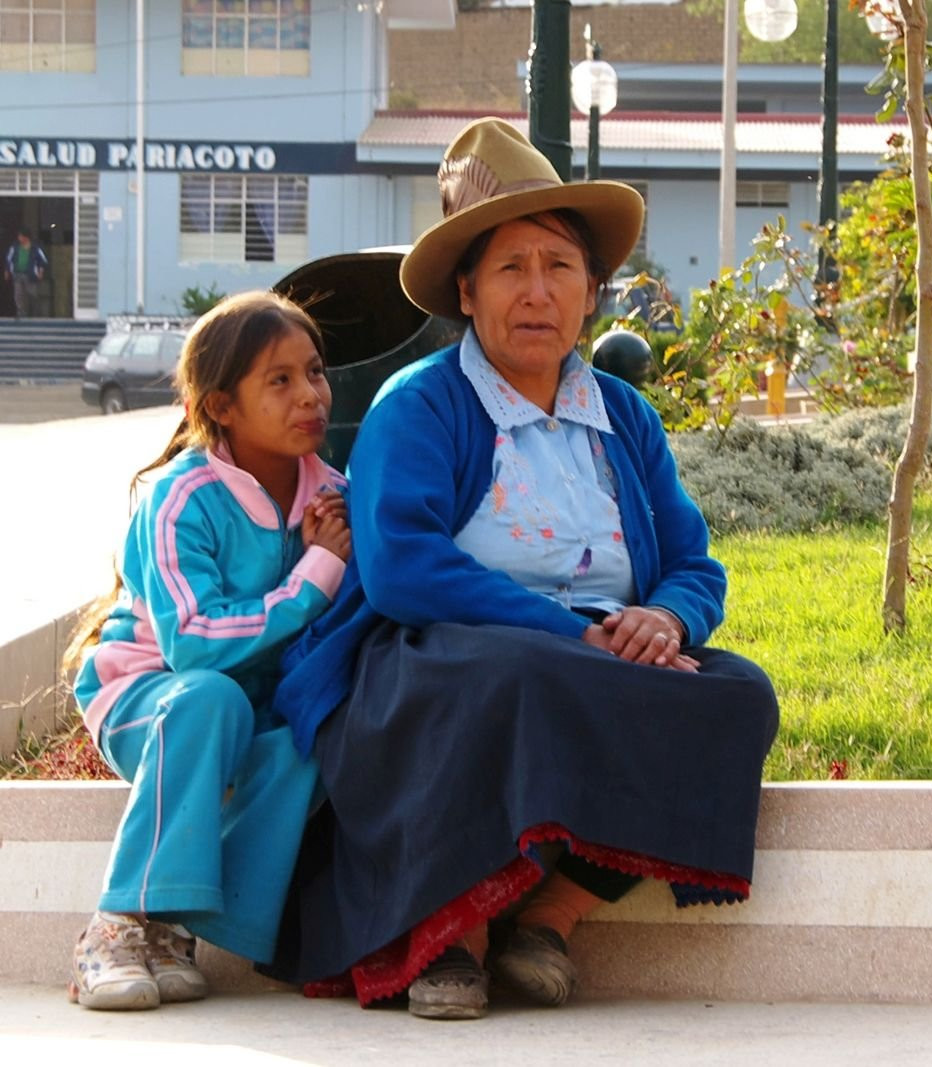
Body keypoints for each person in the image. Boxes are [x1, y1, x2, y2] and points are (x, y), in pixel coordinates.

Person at [269, 117, 780, 1021]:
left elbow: (694, 561)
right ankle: (450, 933)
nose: (536, 292)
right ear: (466, 293)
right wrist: (577, 632)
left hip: (595, 654)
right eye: (510, 268)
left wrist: (663, 621)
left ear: (592, 293)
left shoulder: (622, 413)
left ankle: (552, 915)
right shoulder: (420, 406)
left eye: (559, 267)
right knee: (504, 671)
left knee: (738, 693)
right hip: (443, 656)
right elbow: (404, 572)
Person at [64, 291, 351, 1010]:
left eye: (313, 372)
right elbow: (191, 648)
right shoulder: (180, 497)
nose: (309, 395)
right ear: (221, 405)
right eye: (278, 381)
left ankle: (184, 928)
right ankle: (120, 922)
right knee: (211, 696)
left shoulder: (336, 499)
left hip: (251, 711)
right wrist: (312, 576)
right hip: (147, 697)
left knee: (307, 742)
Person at [5, 230, 48, 318]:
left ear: (26, 237)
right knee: (18, 295)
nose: (19, 238)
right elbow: (8, 259)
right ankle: (21, 314)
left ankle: (35, 314)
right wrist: (7, 271)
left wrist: (40, 272)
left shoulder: (35, 248)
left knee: (32, 295)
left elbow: (43, 261)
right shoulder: (15, 247)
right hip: (17, 274)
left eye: (20, 236)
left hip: (30, 275)